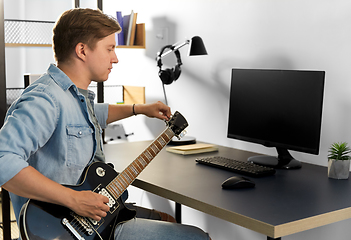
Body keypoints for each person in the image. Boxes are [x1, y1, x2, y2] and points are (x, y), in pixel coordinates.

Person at [0, 8, 211, 240]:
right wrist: (75, 199)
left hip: (97, 216)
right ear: (82, 50)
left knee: (167, 219)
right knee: (197, 237)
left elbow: (93, 115)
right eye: (109, 48)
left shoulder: (74, 95)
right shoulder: (45, 99)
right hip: (69, 226)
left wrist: (138, 109)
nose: (115, 58)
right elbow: (3, 160)